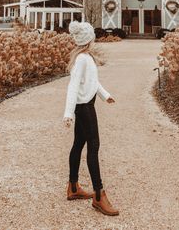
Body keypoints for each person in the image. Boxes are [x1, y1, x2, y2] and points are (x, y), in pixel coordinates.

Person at [62, 20, 119, 216]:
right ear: (89, 40)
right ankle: (98, 195)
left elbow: (93, 82)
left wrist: (105, 95)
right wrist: (68, 113)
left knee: (79, 143)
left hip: (87, 105)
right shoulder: (82, 60)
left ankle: (74, 187)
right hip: (84, 108)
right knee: (93, 146)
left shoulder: (86, 57)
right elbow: (73, 86)